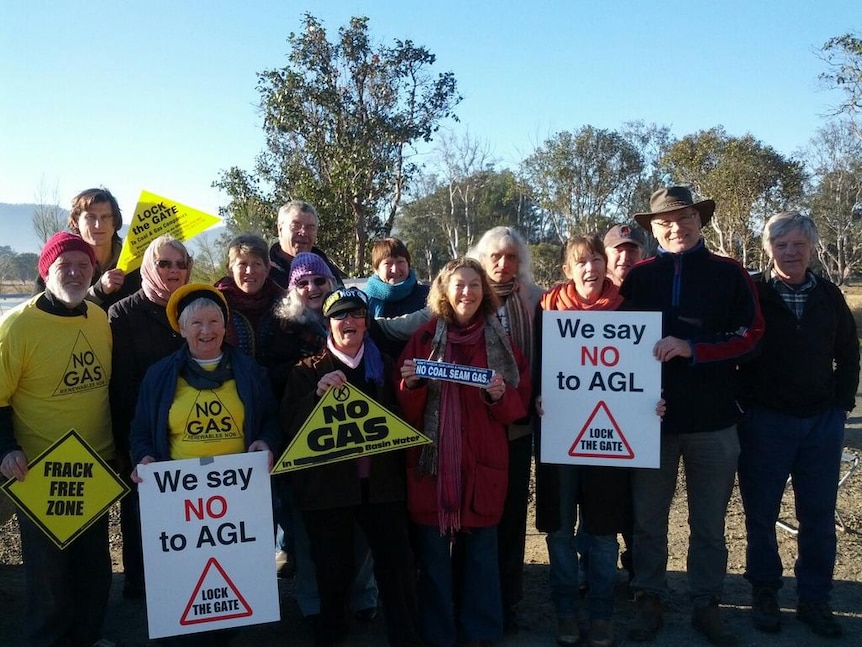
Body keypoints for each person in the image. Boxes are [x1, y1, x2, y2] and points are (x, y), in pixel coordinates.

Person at [621, 186, 764, 646]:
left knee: (709, 520)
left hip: (714, 419)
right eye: (665, 222)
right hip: (650, 420)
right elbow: (612, 340)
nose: (675, 228)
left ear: (700, 222)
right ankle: (649, 596)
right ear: (653, 229)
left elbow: (751, 334)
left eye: (684, 219)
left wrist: (695, 349)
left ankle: (707, 601)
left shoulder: (729, 272)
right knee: (647, 519)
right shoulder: (638, 278)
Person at [129, 283, 280, 645]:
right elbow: (140, 432)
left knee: (233, 587)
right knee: (188, 589)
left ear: (226, 327)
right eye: (196, 323)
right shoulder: (160, 375)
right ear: (181, 329)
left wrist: (266, 442)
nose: (207, 330)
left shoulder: (249, 371)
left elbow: (272, 420)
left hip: (238, 503)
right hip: (182, 506)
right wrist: (143, 457)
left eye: (214, 321)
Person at [397, 257, 532, 647]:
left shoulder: (500, 343)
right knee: (435, 565)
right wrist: (414, 385)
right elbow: (405, 408)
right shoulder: (423, 339)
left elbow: (517, 406)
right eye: (459, 285)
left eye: (474, 285)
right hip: (433, 470)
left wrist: (499, 395)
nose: (467, 292)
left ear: (484, 292)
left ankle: (481, 636)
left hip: (482, 467)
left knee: (481, 563)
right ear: (444, 290)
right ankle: (439, 636)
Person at [737, 212, 859, 637]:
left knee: (819, 516)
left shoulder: (829, 295)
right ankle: (766, 592)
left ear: (811, 248)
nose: (790, 253)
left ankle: (814, 599)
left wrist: (840, 406)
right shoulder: (752, 292)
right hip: (764, 423)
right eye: (782, 245)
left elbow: (848, 354)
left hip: (820, 425)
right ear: (768, 249)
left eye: (798, 245)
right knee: (760, 515)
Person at [281, 287, 422, 647]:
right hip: (328, 492)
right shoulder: (307, 371)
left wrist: (414, 385)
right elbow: (288, 428)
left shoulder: (386, 367)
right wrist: (316, 397)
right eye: (340, 315)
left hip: (383, 487)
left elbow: (409, 416)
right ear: (328, 324)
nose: (349, 322)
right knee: (332, 570)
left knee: (397, 566)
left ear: (366, 321)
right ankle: (332, 635)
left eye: (356, 314)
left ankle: (405, 637)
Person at [0, 232, 115, 646]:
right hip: (41, 471)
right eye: (64, 265)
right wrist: (6, 449)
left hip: (96, 467)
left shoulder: (99, 318)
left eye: (83, 266)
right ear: (45, 270)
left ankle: (88, 637)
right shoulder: (17, 327)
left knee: (94, 570)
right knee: (49, 579)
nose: (74, 272)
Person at [535, 235, 636, 647]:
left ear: (605, 264)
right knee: (558, 532)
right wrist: (535, 395)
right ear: (567, 270)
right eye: (581, 262)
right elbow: (532, 369)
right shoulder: (545, 313)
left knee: (602, 532)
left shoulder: (629, 313)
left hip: (609, 443)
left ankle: (602, 614)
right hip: (558, 440)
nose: (590, 268)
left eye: (596, 259)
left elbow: (636, 376)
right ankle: (565, 612)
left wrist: (651, 404)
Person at [271, 252, 379, 622]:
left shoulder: (358, 321)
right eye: (302, 282)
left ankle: (362, 598)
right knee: (310, 529)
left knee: (361, 526)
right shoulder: (280, 328)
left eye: (319, 280)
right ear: (292, 288)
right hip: (303, 440)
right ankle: (315, 605)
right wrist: (315, 375)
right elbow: (268, 376)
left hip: (356, 439)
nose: (312, 288)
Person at [466, 226, 543, 634]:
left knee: (512, 516)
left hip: (517, 424)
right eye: (495, 256)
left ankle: (507, 600)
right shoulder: (467, 293)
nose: (502, 264)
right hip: (472, 428)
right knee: (474, 515)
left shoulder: (535, 299)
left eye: (511, 257)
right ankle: (474, 598)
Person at [109, 235, 193, 599]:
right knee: (141, 509)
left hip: (191, 430)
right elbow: (123, 384)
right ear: (148, 266)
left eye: (180, 264)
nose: (173, 271)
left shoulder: (193, 304)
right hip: (141, 429)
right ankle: (140, 584)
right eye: (164, 263)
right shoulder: (123, 313)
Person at [35, 187, 142, 310]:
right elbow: (41, 311)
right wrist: (98, 290)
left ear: (115, 221)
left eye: (105, 217)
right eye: (91, 217)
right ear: (76, 221)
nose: (98, 225)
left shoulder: (136, 262)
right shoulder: (59, 261)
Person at [363, 237, 430, 357]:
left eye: (400, 262)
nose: (395, 269)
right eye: (388, 263)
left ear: (408, 264)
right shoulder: (364, 300)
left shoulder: (427, 295)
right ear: (376, 269)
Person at [269, 200, 345, 289]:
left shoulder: (326, 269)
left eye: (310, 228)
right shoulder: (264, 269)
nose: (304, 232)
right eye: (296, 226)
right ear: (280, 229)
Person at [604, 223, 645, 287]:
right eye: (618, 251)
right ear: (605, 256)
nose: (625, 257)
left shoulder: (654, 290)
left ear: (642, 256)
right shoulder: (593, 292)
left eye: (632, 251)